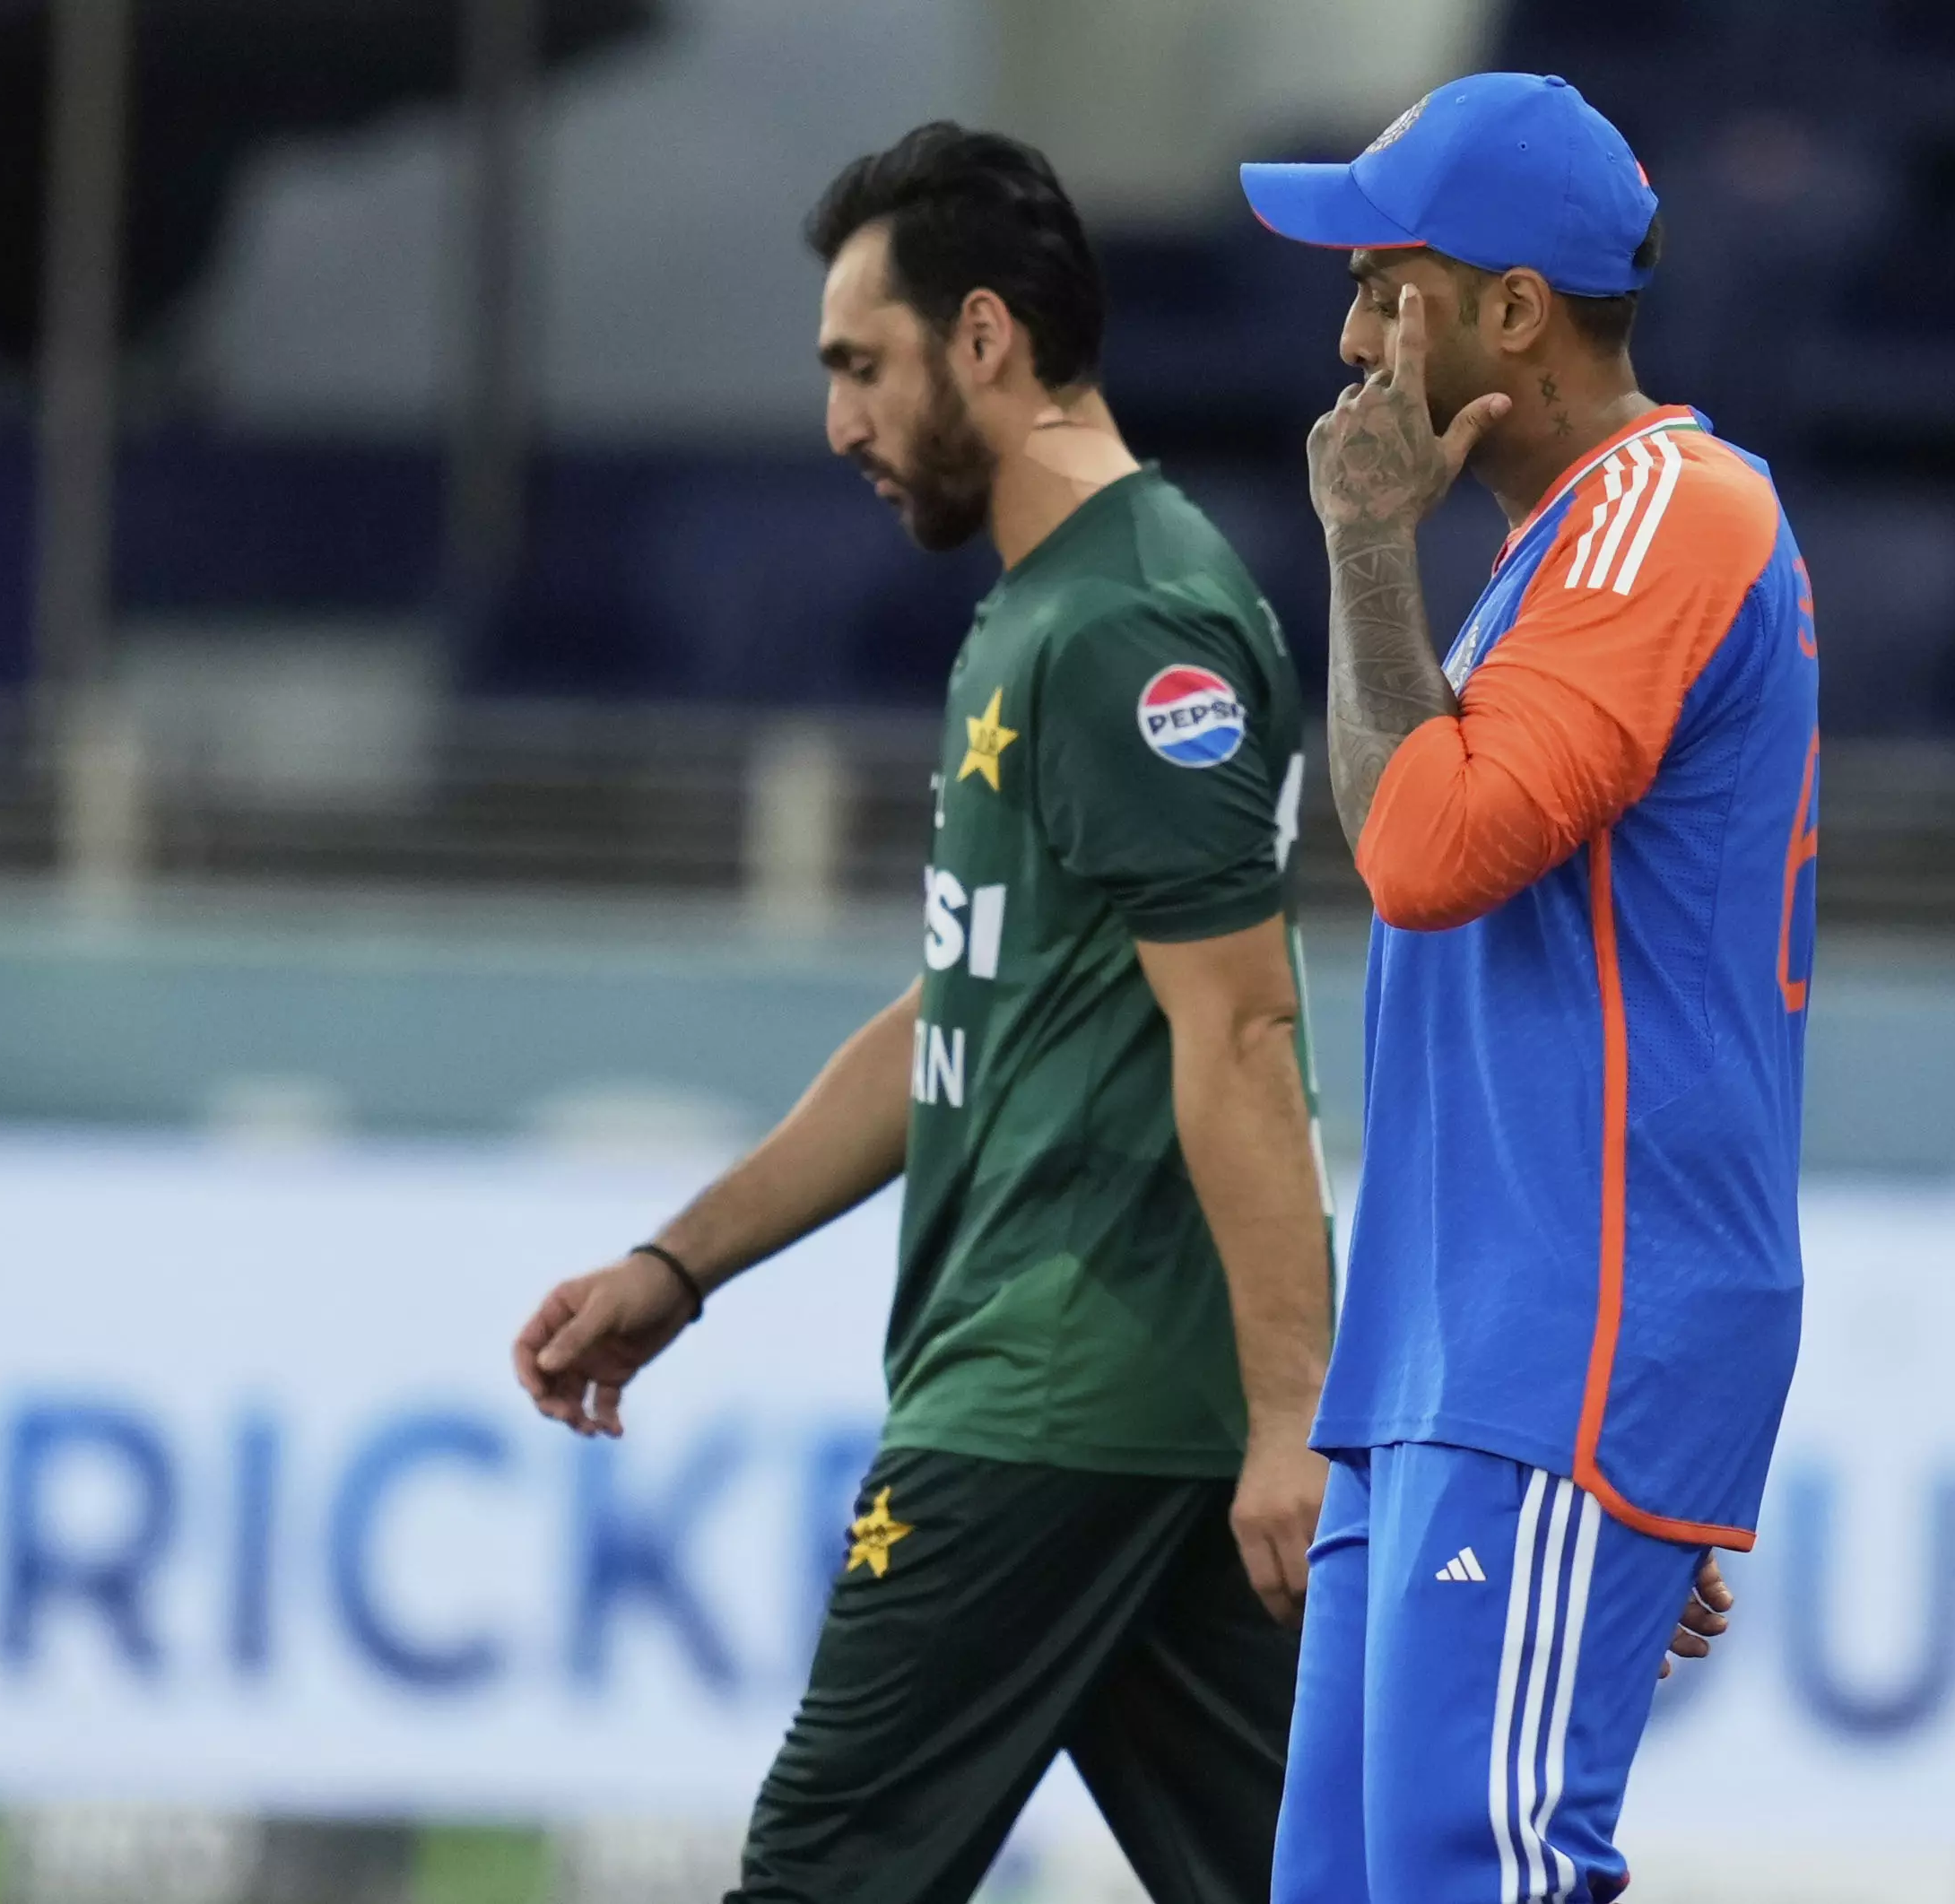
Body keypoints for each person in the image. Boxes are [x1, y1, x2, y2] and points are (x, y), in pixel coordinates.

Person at [508, 124, 1338, 1904]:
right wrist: (680, 1261)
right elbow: (966, 1010)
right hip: (1134, 1414)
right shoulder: (1052, 609)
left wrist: (1299, 1415)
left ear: (982, 337)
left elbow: (1243, 1035)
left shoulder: (1131, 625)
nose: (838, 424)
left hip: (1048, 1395)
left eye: (859, 365)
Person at [1240, 73, 1813, 1900]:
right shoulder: (1553, 554)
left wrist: (1361, 545)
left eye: (1381, 288)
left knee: (1470, 1867)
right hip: (1457, 1340)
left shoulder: (1669, 508)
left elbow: (1421, 852)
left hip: (1569, 1323)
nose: (1350, 342)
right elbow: (1400, 831)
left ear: (1510, 311)